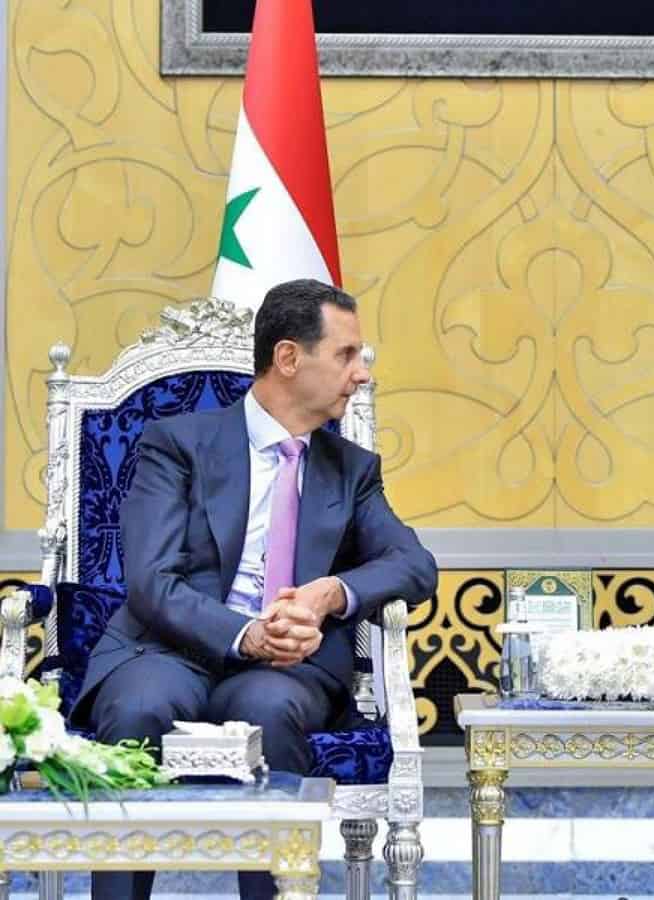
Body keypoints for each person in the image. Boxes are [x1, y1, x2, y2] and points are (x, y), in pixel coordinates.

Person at [71, 278, 439, 900]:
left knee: (267, 711)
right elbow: (151, 580)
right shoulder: (178, 444)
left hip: (288, 670)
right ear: (289, 357)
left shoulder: (351, 470)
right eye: (346, 355)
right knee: (136, 710)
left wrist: (328, 593)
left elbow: (415, 565)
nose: (362, 374)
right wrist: (246, 634)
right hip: (167, 649)